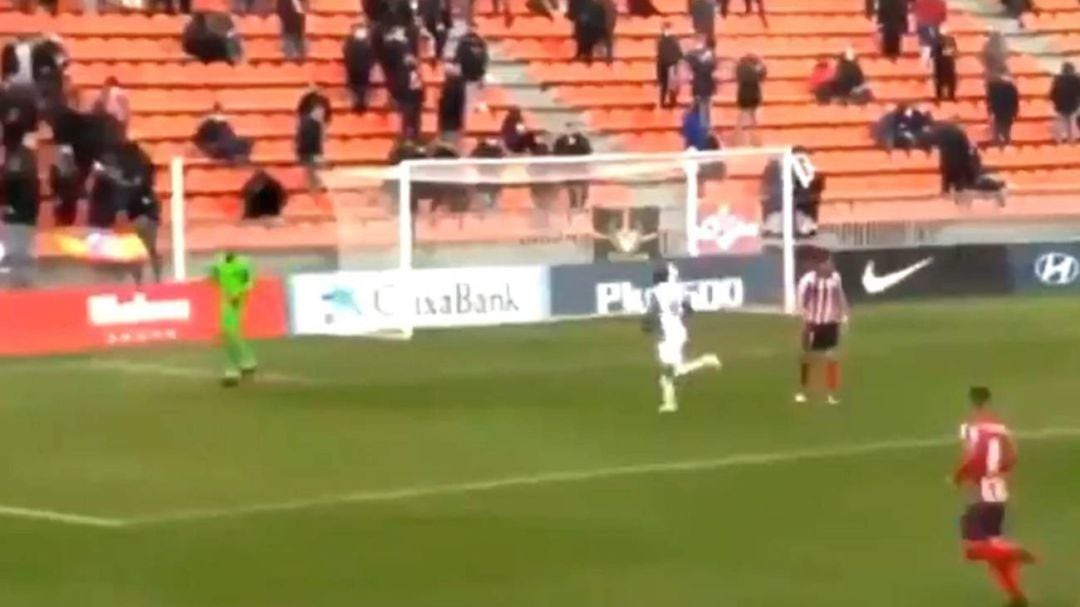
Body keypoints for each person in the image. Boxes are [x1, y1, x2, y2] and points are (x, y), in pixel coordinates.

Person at [953, 386, 1036, 607]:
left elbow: (975, 456)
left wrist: (958, 476)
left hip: (982, 493)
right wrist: (998, 471)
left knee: (973, 549)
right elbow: (1011, 457)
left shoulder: (971, 427)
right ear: (989, 401)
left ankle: (1015, 552)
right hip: (999, 492)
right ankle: (1016, 596)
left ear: (971, 401)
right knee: (994, 552)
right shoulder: (1000, 426)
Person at [643, 262, 721, 413]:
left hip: (667, 333)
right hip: (678, 329)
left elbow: (653, 310)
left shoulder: (656, 292)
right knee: (675, 369)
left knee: (669, 373)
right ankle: (705, 361)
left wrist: (647, 325)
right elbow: (688, 310)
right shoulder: (680, 289)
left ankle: (670, 404)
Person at [794, 257, 847, 405]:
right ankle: (802, 390)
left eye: (831, 263)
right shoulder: (808, 280)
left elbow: (840, 295)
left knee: (832, 358)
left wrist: (844, 314)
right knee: (808, 358)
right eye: (827, 263)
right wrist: (805, 321)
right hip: (813, 323)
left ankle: (830, 394)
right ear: (819, 265)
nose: (831, 266)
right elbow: (800, 301)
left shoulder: (836, 277)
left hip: (830, 323)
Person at [210, 251, 258, 386]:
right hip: (226, 299)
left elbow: (249, 282)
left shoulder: (243, 265)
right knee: (228, 332)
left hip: (237, 300)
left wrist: (238, 293)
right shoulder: (219, 264)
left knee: (230, 331)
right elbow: (215, 278)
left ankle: (233, 369)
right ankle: (247, 362)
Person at [119, 140, 162, 284]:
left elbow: (133, 188)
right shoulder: (145, 165)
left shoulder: (132, 170)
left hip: (141, 213)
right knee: (149, 248)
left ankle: (141, 280)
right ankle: (155, 278)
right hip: (149, 212)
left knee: (138, 248)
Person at [0, 133, 40, 288]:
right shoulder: (24, 158)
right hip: (22, 214)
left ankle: (18, 282)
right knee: (20, 251)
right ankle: (19, 284)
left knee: (18, 250)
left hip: (18, 214)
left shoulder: (17, 157)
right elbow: (17, 184)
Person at [553, 125, 592, 210]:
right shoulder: (560, 142)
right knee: (568, 195)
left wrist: (576, 142)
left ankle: (579, 207)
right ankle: (571, 207)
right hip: (565, 174)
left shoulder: (583, 141)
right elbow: (556, 154)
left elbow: (587, 152)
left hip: (580, 173)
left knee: (580, 192)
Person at [685, 35, 717, 129]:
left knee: (701, 106)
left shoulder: (704, 55)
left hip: (702, 85)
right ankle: (704, 127)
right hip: (704, 86)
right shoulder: (708, 56)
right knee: (703, 107)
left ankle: (700, 126)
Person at [735, 53, 766, 145]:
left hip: (743, 97)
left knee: (743, 119)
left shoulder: (740, 68)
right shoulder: (757, 69)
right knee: (753, 121)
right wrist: (761, 63)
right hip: (754, 97)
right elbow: (762, 76)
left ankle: (741, 141)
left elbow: (737, 77)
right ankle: (755, 141)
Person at [343, 25, 374, 112]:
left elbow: (346, 54)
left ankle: (358, 101)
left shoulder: (350, 42)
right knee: (360, 86)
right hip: (359, 71)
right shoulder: (367, 42)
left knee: (358, 86)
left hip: (358, 71)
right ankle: (359, 101)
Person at [295, 102, 325, 192]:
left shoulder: (311, 122)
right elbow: (309, 138)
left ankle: (312, 185)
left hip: (307, 150)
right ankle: (312, 186)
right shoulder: (310, 123)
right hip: (307, 150)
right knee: (310, 169)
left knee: (310, 169)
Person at [1050, 61, 1080, 143]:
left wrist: (1054, 101)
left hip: (1060, 105)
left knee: (1060, 124)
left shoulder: (1058, 79)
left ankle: (1058, 140)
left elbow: (1053, 92)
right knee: (1071, 124)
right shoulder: (1077, 79)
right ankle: (1071, 141)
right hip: (1073, 105)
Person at [470, 137, 504, 209]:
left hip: (486, 180)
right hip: (490, 180)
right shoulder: (496, 150)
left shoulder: (479, 150)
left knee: (487, 201)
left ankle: (487, 209)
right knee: (490, 201)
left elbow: (470, 161)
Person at [438, 63, 467, 145]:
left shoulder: (450, 87)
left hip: (449, 124)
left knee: (448, 146)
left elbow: (448, 107)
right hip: (455, 123)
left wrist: (441, 101)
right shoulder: (460, 86)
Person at [987, 74, 1019, 148]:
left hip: (1002, 114)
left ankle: (1001, 145)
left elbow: (989, 101)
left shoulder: (994, 86)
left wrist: (990, 111)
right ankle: (1002, 144)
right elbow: (1015, 102)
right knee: (1002, 133)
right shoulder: (1011, 88)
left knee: (1001, 133)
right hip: (1004, 114)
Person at [656, 22, 683, 108]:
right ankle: (671, 102)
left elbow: (660, 54)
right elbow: (679, 53)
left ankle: (663, 102)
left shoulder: (660, 40)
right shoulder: (673, 40)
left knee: (665, 85)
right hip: (671, 64)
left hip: (664, 64)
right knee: (671, 84)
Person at [913, 0, 947, 65]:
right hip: (935, 23)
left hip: (923, 23)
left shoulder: (919, 1)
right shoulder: (940, 2)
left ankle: (926, 60)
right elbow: (943, 14)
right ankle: (933, 58)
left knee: (925, 42)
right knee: (934, 40)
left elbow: (915, 11)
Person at [399, 55, 425, 139]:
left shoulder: (404, 76)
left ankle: (410, 138)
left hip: (410, 102)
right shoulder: (417, 75)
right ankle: (412, 137)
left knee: (409, 123)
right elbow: (421, 89)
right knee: (413, 123)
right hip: (413, 101)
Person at [932, 26, 959, 103]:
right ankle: (939, 96)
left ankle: (951, 95)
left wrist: (953, 53)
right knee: (940, 81)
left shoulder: (951, 39)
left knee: (951, 80)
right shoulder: (937, 40)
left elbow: (955, 51)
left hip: (949, 63)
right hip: (940, 63)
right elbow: (935, 53)